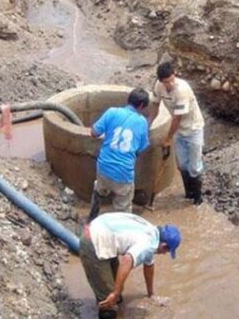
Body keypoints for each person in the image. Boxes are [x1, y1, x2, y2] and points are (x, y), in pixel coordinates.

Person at [80, 212, 181, 319]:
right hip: (92, 241)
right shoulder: (148, 245)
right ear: (164, 246)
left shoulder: (153, 232)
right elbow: (127, 261)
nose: (164, 254)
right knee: (109, 304)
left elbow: (149, 266)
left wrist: (151, 295)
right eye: (166, 251)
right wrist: (114, 293)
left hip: (102, 233)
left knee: (118, 297)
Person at [88, 88, 152, 221]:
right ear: (141, 105)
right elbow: (141, 148)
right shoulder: (142, 122)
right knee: (123, 207)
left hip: (103, 166)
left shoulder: (112, 112)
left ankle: (91, 219)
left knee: (99, 189)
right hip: (123, 173)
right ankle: (120, 231)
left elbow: (94, 133)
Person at [151, 62, 205, 205]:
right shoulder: (158, 87)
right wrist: (149, 125)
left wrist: (168, 138)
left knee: (194, 166)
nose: (170, 83)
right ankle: (188, 194)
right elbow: (155, 105)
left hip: (193, 129)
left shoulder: (182, 90)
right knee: (182, 165)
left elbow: (177, 118)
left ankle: (197, 199)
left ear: (174, 75)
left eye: (172, 79)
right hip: (179, 132)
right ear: (160, 81)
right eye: (166, 82)